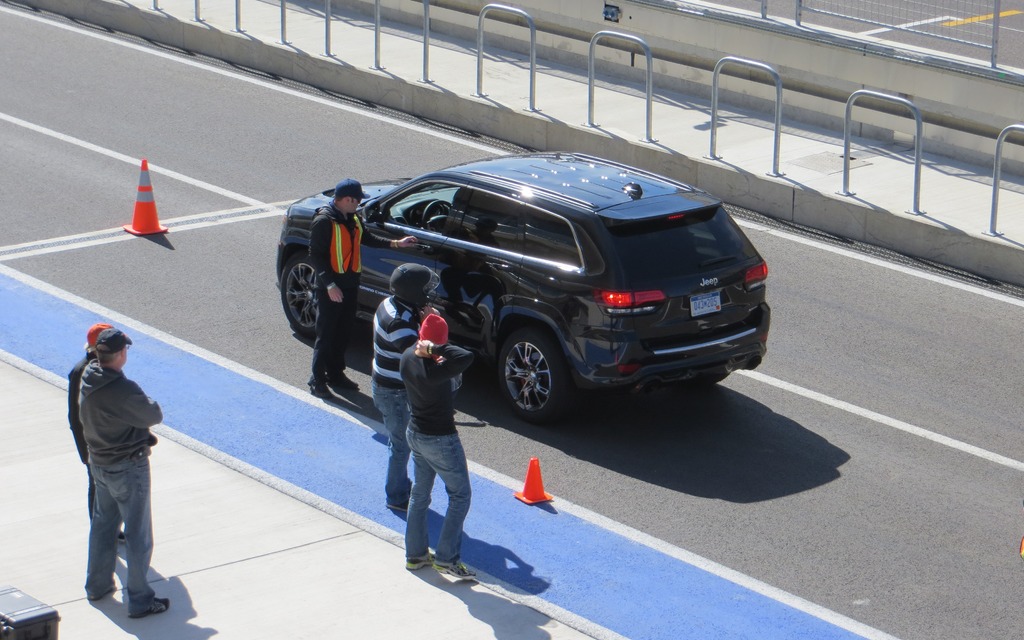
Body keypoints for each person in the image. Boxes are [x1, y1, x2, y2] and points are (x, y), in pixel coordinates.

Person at [80, 328, 169, 618]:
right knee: (138, 535)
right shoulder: (122, 389)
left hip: (100, 465)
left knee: (103, 527)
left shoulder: (89, 377)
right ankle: (141, 600)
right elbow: (153, 414)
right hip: (128, 468)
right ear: (120, 354)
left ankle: (97, 584)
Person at [307, 178, 417, 398]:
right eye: (356, 201)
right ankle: (317, 380)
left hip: (349, 286)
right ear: (347, 199)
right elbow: (316, 257)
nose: (359, 204)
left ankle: (336, 374)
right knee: (326, 335)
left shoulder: (353, 217)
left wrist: (396, 243)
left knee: (343, 333)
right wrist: (329, 285)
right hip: (330, 288)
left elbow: (367, 238)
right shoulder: (323, 221)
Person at [400, 314, 477, 580]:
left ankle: (416, 554)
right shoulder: (437, 369)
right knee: (460, 496)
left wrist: (428, 345)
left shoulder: (408, 356)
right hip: (441, 438)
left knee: (420, 494)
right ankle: (446, 558)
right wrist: (435, 348)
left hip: (416, 432)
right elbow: (466, 356)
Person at [371, 264, 440, 512]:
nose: (428, 293)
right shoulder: (399, 322)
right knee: (401, 444)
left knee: (399, 441)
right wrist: (429, 326)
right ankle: (397, 495)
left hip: (390, 387)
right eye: (424, 289)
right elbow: (418, 356)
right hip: (394, 393)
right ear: (412, 292)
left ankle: (399, 486)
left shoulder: (391, 304)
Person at [68, 322, 112, 519]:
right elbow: (75, 415)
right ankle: (99, 528)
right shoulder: (83, 371)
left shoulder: (102, 366)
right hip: (91, 443)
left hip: (102, 441)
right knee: (96, 485)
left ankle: (109, 528)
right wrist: (86, 451)